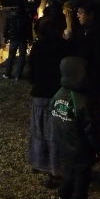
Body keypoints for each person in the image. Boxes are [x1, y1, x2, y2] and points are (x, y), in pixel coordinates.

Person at [51, 56, 100, 199]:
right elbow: (91, 128)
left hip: (64, 142)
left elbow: (53, 113)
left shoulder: (59, 94)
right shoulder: (82, 100)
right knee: (82, 175)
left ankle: (62, 196)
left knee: (72, 171)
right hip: (80, 147)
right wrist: (98, 147)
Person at [28, 13, 68, 185]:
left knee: (42, 133)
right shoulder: (65, 46)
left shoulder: (38, 47)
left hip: (41, 94)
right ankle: (60, 169)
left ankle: (46, 168)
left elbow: (31, 73)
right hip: (61, 94)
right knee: (60, 134)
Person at [70, 0, 100, 98]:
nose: (77, 15)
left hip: (93, 78)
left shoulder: (99, 33)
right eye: (77, 12)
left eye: (81, 12)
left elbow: (97, 57)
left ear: (91, 14)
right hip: (80, 77)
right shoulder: (80, 30)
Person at [3, 2, 33, 80]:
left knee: (11, 56)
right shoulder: (26, 17)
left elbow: (6, 27)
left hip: (13, 38)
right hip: (23, 39)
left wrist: (5, 37)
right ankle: (18, 75)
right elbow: (29, 29)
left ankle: (7, 73)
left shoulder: (11, 16)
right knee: (22, 57)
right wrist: (30, 39)